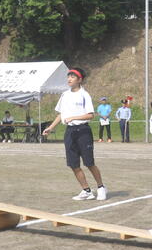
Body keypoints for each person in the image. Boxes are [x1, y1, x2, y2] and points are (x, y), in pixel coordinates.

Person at [42, 67, 107, 201]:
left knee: (89, 163)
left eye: (72, 77)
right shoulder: (65, 95)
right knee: (73, 164)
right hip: (70, 132)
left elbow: (90, 115)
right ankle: (86, 191)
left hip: (83, 131)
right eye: (68, 76)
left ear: (79, 80)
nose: (69, 79)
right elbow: (61, 114)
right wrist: (51, 127)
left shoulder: (84, 95)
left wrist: (74, 118)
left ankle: (101, 187)